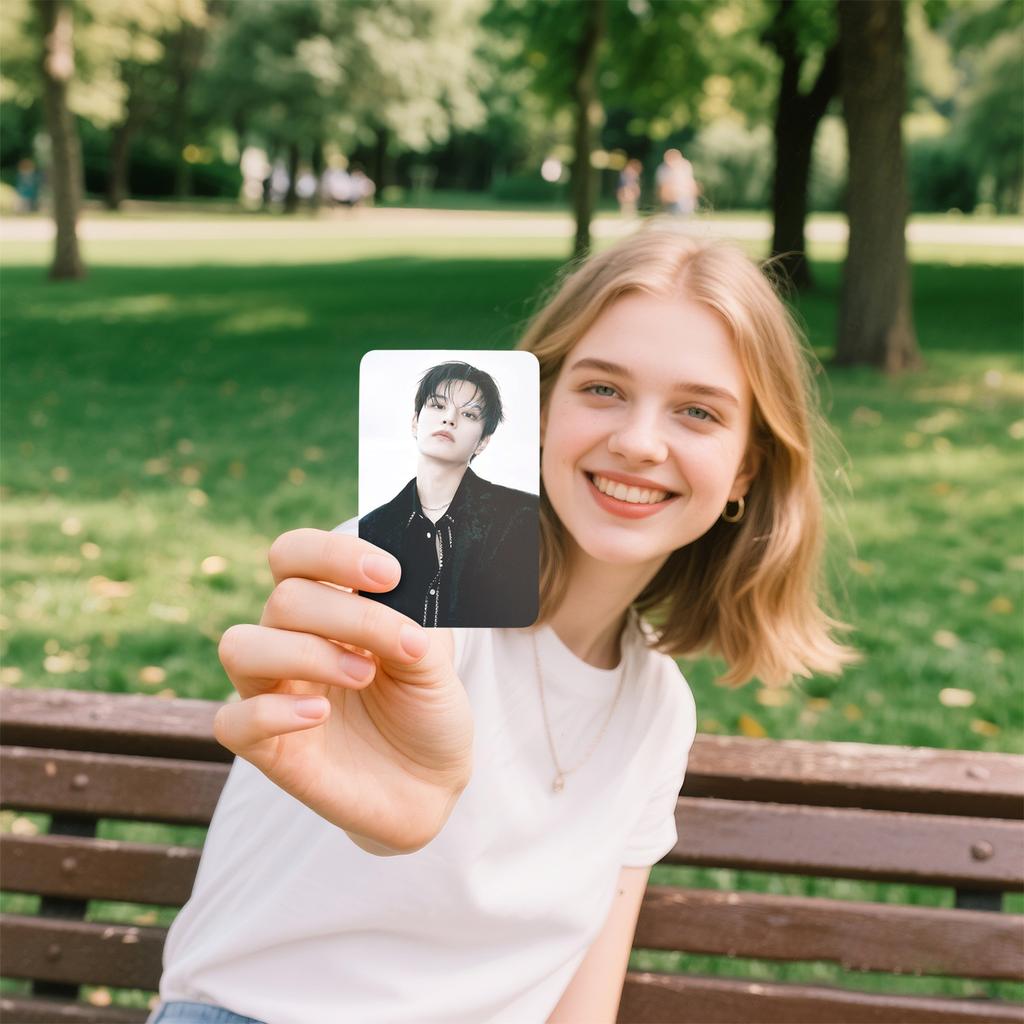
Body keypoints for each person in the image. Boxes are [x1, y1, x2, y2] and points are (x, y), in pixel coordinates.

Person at [148, 226, 857, 1024]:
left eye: (697, 412)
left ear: (747, 468)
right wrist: (389, 814)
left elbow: (582, 1003)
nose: (639, 442)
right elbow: (375, 808)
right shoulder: (412, 576)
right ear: (538, 412)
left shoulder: (659, 709)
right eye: (602, 389)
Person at [358, 360, 539, 628]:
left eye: (469, 414)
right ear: (415, 422)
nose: (449, 419)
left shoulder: (523, 516)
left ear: (482, 442)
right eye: (438, 405)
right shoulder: (373, 529)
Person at [655, 148, 699, 217]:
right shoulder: (663, 169)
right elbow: (662, 186)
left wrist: (693, 195)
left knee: (684, 216)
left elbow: (690, 181)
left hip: (685, 197)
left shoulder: (685, 166)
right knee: (674, 217)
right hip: (671, 198)